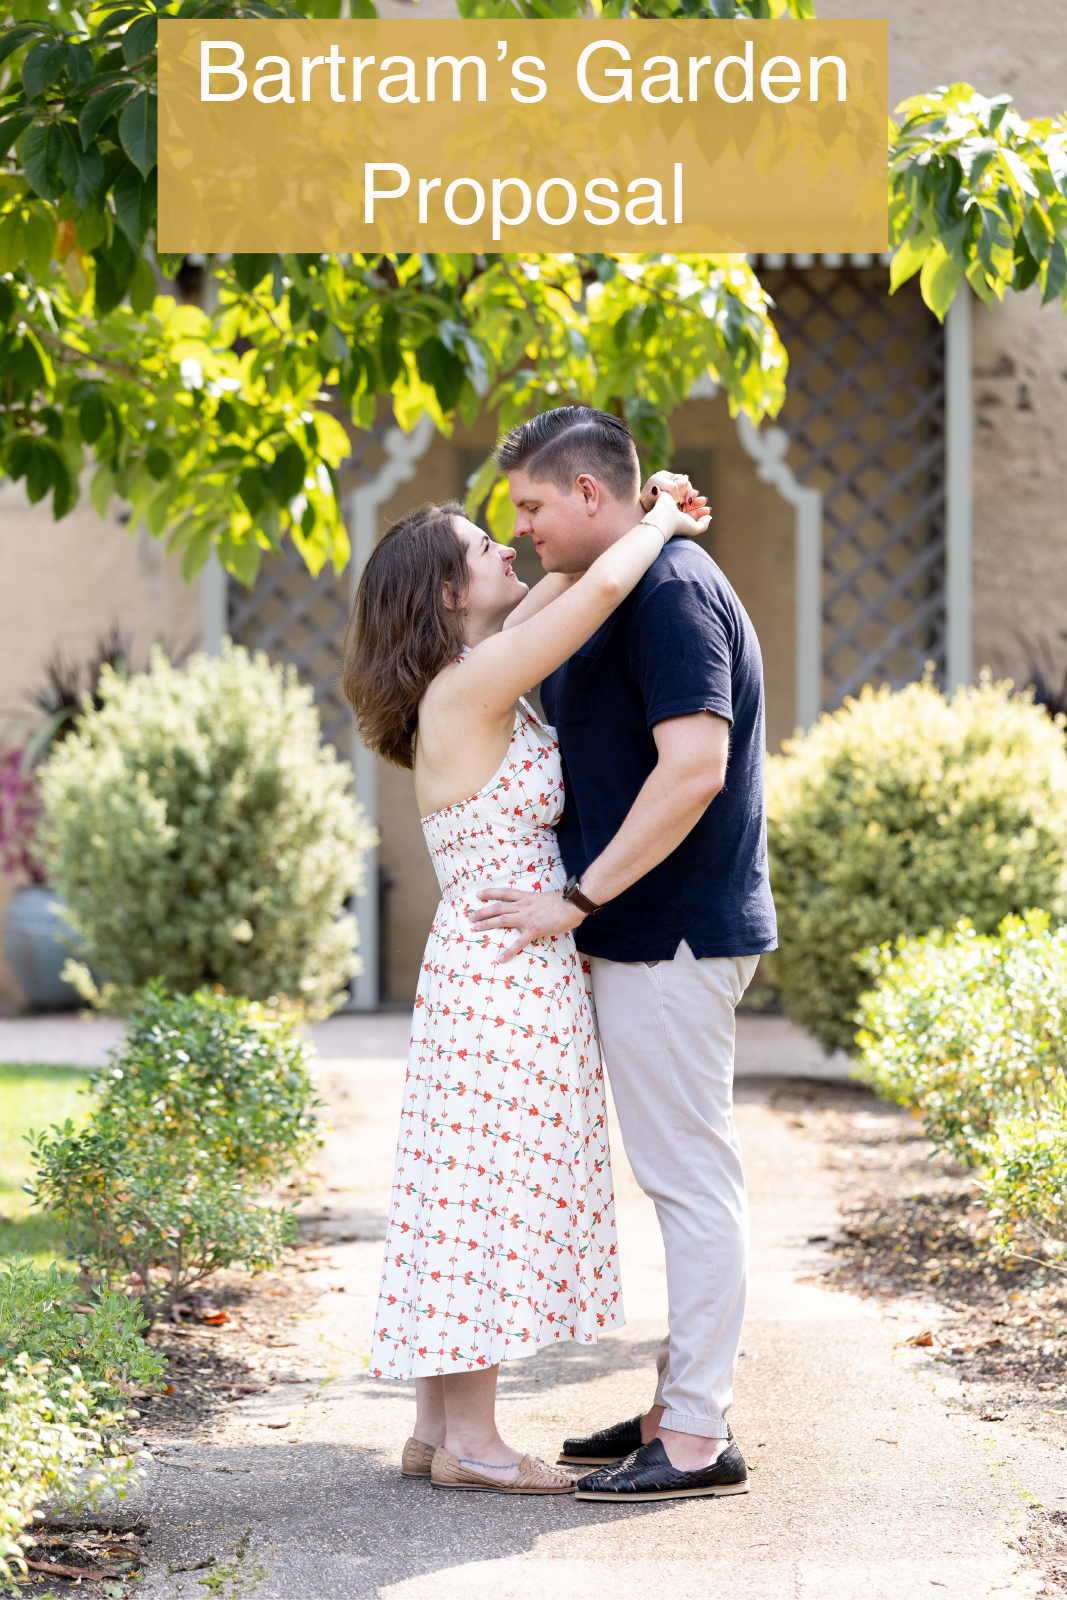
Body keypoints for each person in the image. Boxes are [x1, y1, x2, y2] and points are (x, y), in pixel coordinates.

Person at [341, 469, 709, 1496]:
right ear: (447, 597)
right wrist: (660, 521)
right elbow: (588, 596)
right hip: (502, 976)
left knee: (460, 1193)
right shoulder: (468, 689)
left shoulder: (467, 675)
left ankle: (433, 1429)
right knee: (483, 1199)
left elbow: (561, 586)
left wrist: (628, 524)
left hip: (490, 968)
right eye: (481, 549)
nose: (509, 546)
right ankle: (474, 1442)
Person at [469, 406, 777, 1504]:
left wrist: (575, 898)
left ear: (590, 495)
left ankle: (694, 1437)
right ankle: (671, 1407)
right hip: (640, 937)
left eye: (533, 505)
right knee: (675, 1178)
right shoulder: (620, 587)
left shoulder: (672, 593)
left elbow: (692, 767)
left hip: (672, 932)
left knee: (691, 1181)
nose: (521, 528)